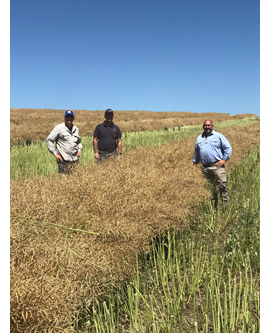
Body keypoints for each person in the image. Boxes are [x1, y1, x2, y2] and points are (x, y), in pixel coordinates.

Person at [193, 120, 232, 207]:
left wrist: (224, 160)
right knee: (211, 189)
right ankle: (214, 208)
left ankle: (226, 208)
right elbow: (196, 153)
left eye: (209, 125)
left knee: (222, 187)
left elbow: (228, 148)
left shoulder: (218, 136)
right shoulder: (199, 138)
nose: (207, 127)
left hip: (217, 166)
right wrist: (194, 164)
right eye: (205, 125)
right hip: (205, 168)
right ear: (203, 127)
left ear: (212, 126)